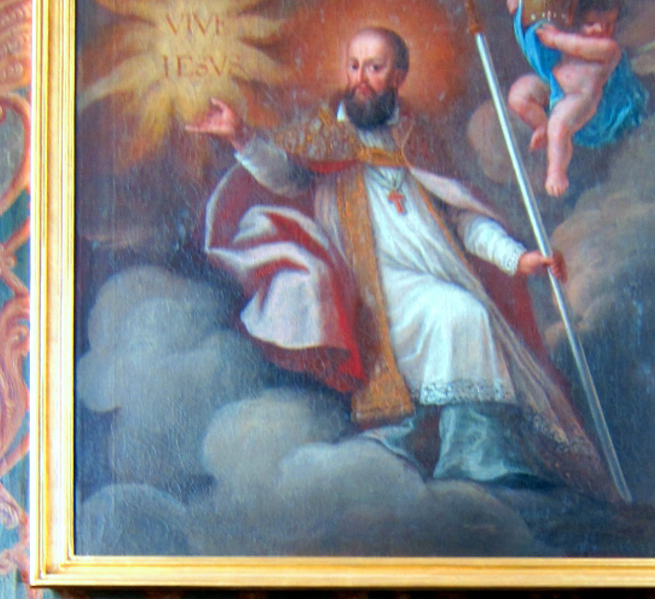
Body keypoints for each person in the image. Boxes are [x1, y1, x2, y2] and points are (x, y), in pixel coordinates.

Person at [188, 28, 613, 495]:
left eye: (374, 67)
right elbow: (285, 175)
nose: (360, 79)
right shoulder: (326, 136)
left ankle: (475, 453)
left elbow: (462, 219)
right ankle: (453, 451)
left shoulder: (416, 140)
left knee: (467, 314)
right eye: (354, 66)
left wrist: (517, 257)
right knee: (461, 315)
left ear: (399, 76)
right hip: (372, 284)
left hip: (433, 274)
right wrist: (241, 135)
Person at [507, 0, 648, 196]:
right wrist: (519, 10)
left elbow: (579, 47)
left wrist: (557, 40)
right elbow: (533, 38)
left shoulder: (609, 50)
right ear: (578, 19)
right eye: (593, 23)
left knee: (560, 123)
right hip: (555, 89)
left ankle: (556, 171)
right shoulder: (567, 36)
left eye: (609, 24)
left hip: (582, 101)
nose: (601, 30)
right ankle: (541, 125)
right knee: (519, 93)